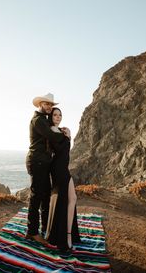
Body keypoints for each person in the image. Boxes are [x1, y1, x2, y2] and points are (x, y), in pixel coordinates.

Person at [26, 93, 70, 244]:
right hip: (36, 162)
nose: (49, 107)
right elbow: (52, 136)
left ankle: (46, 227)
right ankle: (32, 232)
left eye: (51, 105)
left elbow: (51, 134)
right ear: (40, 104)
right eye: (47, 104)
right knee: (36, 196)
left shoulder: (44, 119)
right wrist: (64, 135)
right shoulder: (38, 120)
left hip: (44, 163)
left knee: (45, 197)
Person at [45, 107, 80, 251]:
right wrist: (67, 136)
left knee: (72, 199)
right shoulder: (52, 130)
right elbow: (60, 150)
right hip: (58, 170)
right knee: (66, 201)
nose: (58, 117)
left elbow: (65, 150)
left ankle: (67, 235)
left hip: (63, 168)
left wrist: (68, 136)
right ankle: (66, 237)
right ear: (51, 116)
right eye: (55, 115)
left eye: (60, 115)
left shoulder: (60, 131)